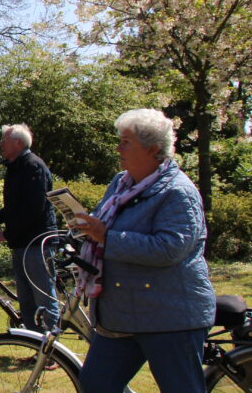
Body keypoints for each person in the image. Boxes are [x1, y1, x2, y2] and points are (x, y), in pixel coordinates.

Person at [73, 109, 215, 393]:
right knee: (95, 385)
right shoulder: (121, 182)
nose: (118, 148)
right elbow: (102, 223)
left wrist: (105, 236)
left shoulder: (177, 191)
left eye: (126, 142)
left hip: (170, 316)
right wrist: (82, 230)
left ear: (152, 150)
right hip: (121, 314)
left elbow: (169, 249)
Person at [0, 124, 59, 332]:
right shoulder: (16, 167)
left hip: (37, 243)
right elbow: (13, 209)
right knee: (26, 300)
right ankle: (36, 345)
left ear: (18, 142)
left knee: (43, 296)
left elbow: (33, 210)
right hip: (22, 244)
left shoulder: (33, 166)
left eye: (4, 140)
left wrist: (6, 234)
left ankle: (51, 351)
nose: (0, 144)